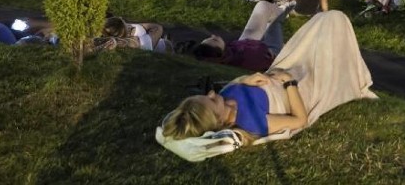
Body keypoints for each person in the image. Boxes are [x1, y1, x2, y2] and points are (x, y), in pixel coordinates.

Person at [157, 11, 376, 161]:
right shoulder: (251, 121)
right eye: (212, 99)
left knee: (323, 22)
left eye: (209, 95)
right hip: (293, 86)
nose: (213, 93)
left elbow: (165, 131)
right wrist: (289, 83)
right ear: (220, 120)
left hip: (276, 72)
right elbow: (300, 120)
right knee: (332, 29)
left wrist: (244, 80)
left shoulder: (224, 101)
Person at [193, 0, 292, 70]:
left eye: (210, 38)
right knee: (275, 23)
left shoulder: (226, 54)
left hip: (246, 44)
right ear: (218, 53)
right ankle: (294, 7)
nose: (214, 36)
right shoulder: (246, 58)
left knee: (263, 6)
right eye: (214, 40)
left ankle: (281, 10)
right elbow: (261, 59)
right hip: (271, 51)